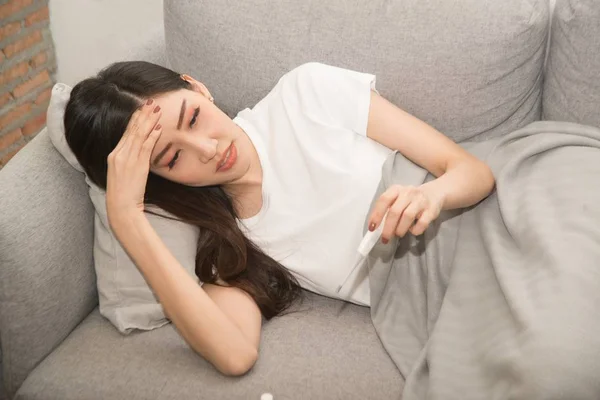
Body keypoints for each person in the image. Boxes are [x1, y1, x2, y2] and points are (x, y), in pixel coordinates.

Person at [64, 61, 495, 376]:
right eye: (173, 157)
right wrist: (127, 220)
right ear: (154, 179)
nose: (208, 148)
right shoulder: (229, 249)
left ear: (197, 86)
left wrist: (429, 195)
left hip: (494, 218)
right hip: (448, 299)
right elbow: (234, 356)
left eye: (193, 117)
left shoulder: (304, 93)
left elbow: (472, 171)